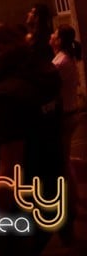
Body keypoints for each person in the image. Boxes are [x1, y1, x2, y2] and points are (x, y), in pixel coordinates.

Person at [0, 22, 63, 254]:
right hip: (50, 191)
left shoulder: (6, 97)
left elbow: (10, 168)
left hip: (20, 207)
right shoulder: (46, 77)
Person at [51, 24, 81, 244]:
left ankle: (69, 205)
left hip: (64, 116)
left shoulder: (59, 63)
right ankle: (73, 199)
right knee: (64, 160)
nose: (51, 37)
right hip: (71, 113)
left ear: (59, 40)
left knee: (61, 163)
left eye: (54, 34)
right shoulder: (66, 59)